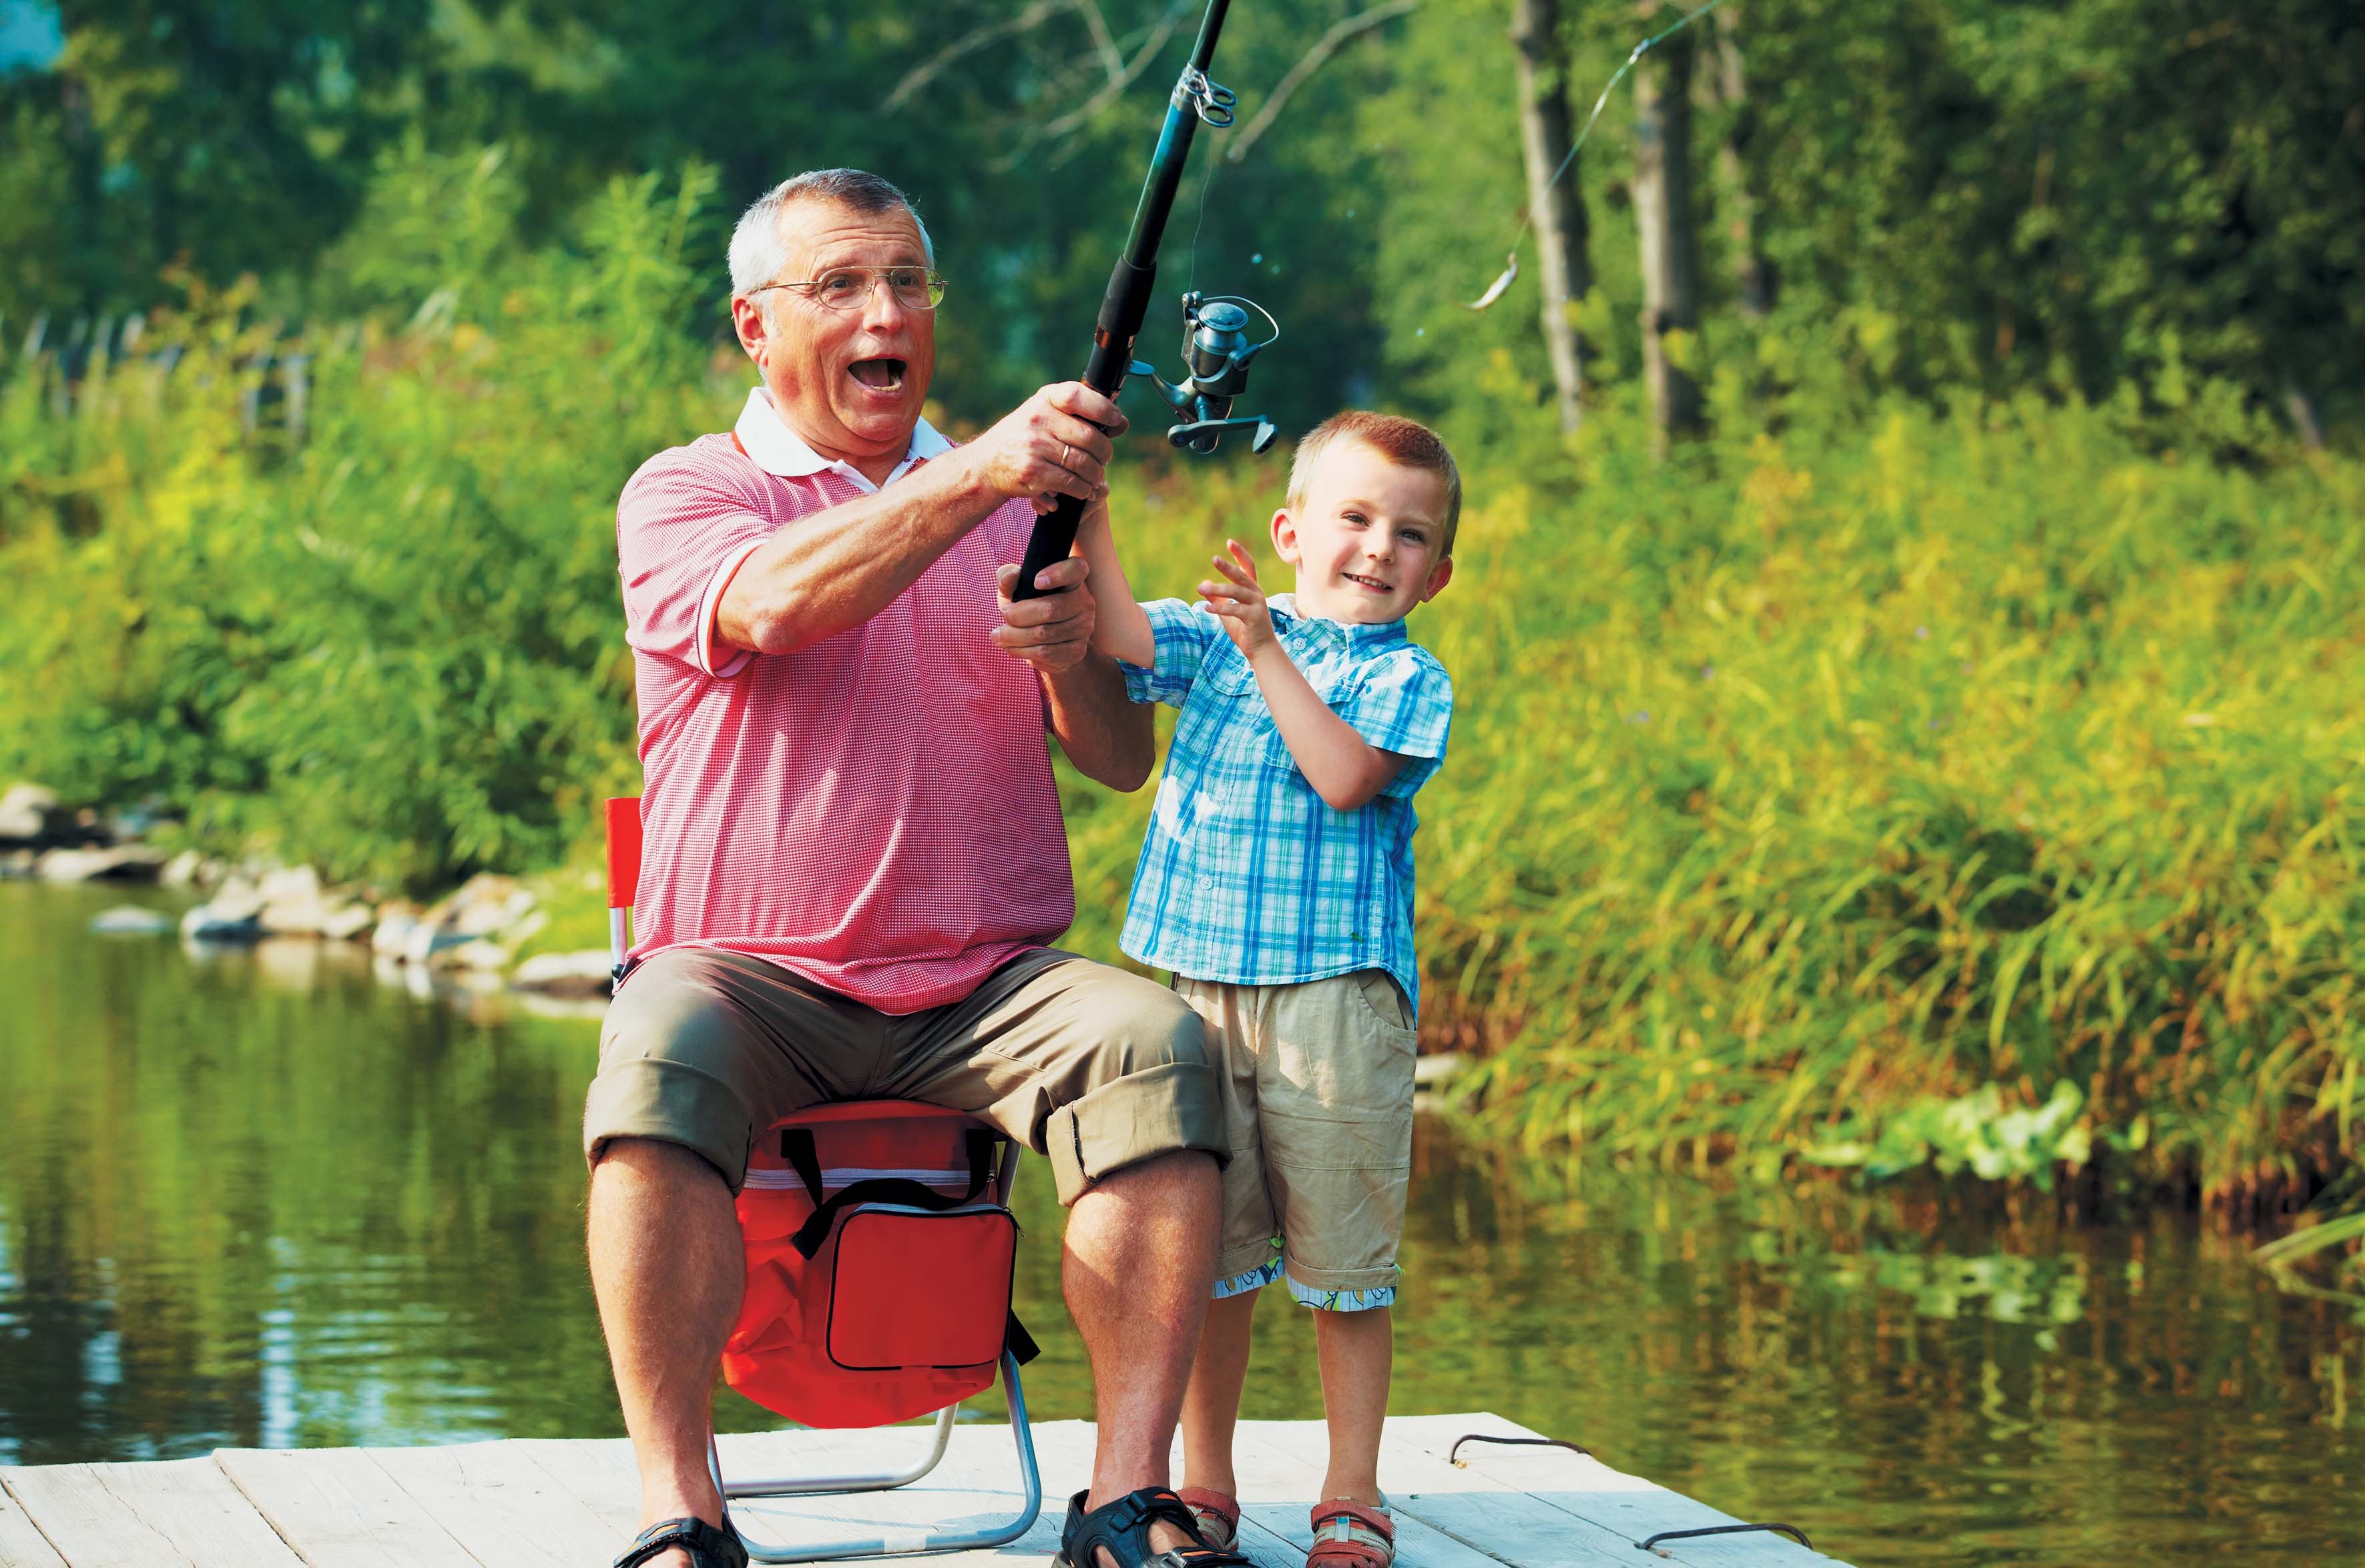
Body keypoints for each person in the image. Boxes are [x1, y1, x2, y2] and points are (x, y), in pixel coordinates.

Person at [586, 168, 1248, 1568]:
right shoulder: (691, 489)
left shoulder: (1024, 503)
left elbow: (1119, 756)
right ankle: (678, 1513)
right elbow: (770, 601)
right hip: (749, 975)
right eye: (837, 284)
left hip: (985, 982)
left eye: (904, 281)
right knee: (652, 1047)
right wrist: (977, 474)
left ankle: (1123, 1499)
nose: (883, 310)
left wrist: (1072, 652)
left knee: (1152, 1042)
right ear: (755, 327)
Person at [1076, 411, 1461, 1568]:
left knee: (1344, 1271)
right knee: (1216, 1258)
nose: (1378, 547)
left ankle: (1351, 1492)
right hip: (1200, 994)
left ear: (1436, 573)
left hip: (1334, 1006)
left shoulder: (1406, 678)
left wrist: (1263, 651)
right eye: (1354, 518)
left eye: (1409, 533)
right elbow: (1124, 633)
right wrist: (1090, 506)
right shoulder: (1230, 633)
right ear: (1293, 531)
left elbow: (1343, 777)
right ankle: (1206, 1480)